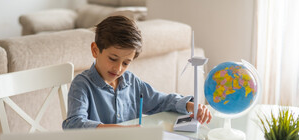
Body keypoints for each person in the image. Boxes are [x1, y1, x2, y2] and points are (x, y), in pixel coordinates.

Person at [62, 15, 212, 129]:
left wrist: (190, 106)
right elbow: (74, 123)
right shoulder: (82, 84)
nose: (118, 68)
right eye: (113, 59)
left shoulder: (131, 82)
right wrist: (121, 131)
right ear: (95, 50)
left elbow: (160, 102)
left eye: (126, 63)